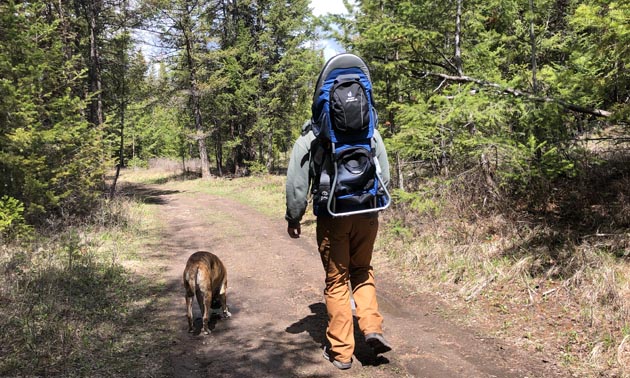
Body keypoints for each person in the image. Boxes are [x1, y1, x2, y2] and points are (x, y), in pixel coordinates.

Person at [285, 119, 392, 370]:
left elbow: (297, 186)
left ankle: (342, 352)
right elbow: (384, 176)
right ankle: (372, 328)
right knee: (362, 270)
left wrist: (294, 217)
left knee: (337, 280)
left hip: (333, 216)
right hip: (368, 212)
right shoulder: (369, 130)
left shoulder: (310, 137)